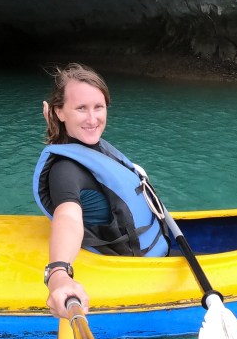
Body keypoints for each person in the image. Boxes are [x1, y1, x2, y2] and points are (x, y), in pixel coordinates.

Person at [32, 64, 169, 318]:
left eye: (98, 107)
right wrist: (59, 273)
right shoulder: (64, 171)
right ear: (60, 112)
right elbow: (68, 217)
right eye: (81, 108)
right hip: (139, 269)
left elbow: (69, 136)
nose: (93, 119)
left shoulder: (90, 146)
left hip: (158, 248)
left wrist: (56, 121)